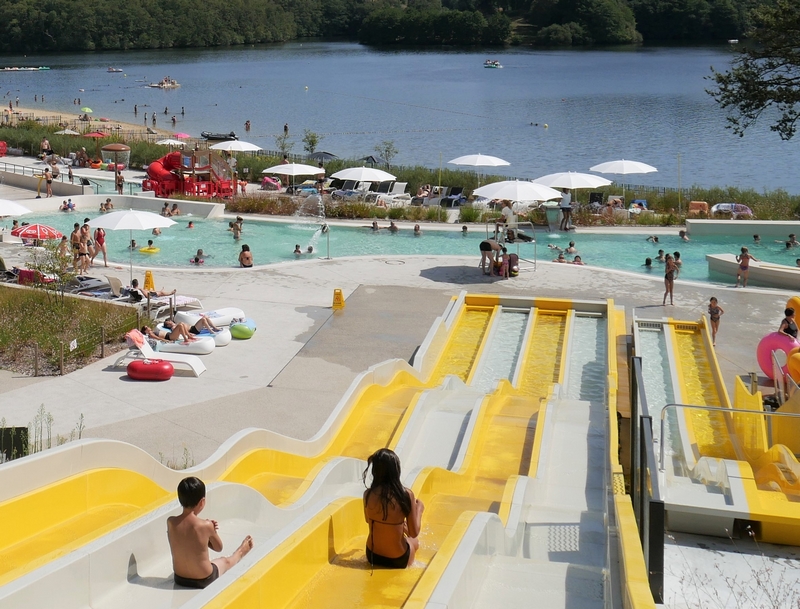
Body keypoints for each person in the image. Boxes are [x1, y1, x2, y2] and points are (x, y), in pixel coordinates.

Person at [167, 477, 254, 589]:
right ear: (202, 502)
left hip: (179, 578)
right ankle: (241, 551)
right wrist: (211, 531)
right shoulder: (206, 525)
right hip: (204, 579)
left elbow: (183, 540)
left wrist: (205, 532)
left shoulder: (171, 522)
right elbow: (218, 547)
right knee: (224, 561)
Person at [362, 449, 423, 570]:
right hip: (397, 559)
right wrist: (419, 509)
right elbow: (414, 532)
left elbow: (368, 521)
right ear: (396, 470)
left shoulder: (368, 494)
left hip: (373, 555)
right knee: (414, 541)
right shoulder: (405, 495)